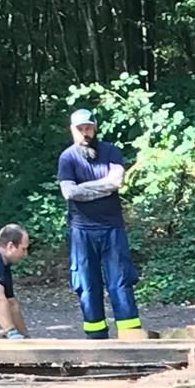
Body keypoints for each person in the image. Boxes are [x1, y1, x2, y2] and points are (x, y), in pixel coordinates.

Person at [57, 108, 143, 339]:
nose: (85, 133)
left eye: (88, 128)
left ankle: (131, 338)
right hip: (81, 231)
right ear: (73, 131)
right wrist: (101, 186)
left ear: (95, 127)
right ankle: (96, 340)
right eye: (80, 129)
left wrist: (84, 188)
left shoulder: (111, 151)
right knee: (86, 285)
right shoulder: (67, 157)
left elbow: (117, 182)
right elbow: (69, 192)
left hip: (112, 228)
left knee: (121, 282)